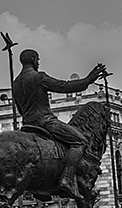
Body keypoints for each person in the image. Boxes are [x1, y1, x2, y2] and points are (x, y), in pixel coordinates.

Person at [12, 49, 109, 196]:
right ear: (32, 59)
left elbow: (20, 108)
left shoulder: (16, 83)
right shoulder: (39, 77)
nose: (38, 62)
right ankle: (67, 178)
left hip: (27, 125)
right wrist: (88, 80)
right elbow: (64, 86)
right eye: (37, 59)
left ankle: (40, 190)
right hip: (45, 121)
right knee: (80, 141)